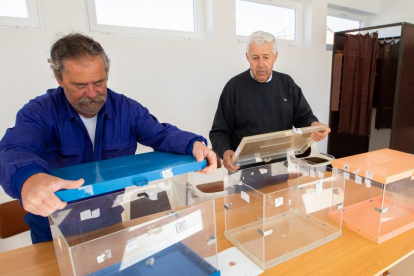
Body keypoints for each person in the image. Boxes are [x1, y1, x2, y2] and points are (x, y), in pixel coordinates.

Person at [0, 33, 217, 244]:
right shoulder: (38, 112)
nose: (92, 93)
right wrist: (27, 178)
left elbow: (161, 135)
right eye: (80, 85)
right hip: (53, 227)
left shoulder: (127, 109)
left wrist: (193, 144)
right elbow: (15, 149)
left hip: (109, 220)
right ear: (59, 78)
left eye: (99, 82)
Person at [210, 30, 331, 173]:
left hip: (280, 167)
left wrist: (314, 125)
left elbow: (303, 116)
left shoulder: (287, 83)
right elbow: (219, 131)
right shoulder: (233, 87)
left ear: (275, 57)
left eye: (266, 57)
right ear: (247, 57)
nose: (261, 64)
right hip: (241, 171)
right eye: (255, 58)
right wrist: (225, 151)